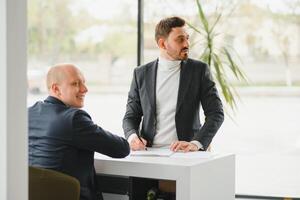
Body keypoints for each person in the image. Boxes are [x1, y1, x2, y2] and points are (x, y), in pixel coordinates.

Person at [28, 63, 130, 200]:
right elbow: (121, 149)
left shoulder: (29, 113)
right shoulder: (73, 118)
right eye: (75, 84)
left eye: (84, 83)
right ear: (56, 89)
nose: (85, 89)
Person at [123, 16, 224, 152]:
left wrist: (196, 143)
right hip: (148, 152)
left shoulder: (199, 70)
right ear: (162, 44)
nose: (186, 44)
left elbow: (216, 113)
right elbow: (131, 116)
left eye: (187, 38)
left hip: (186, 153)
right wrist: (133, 137)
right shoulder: (141, 73)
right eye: (180, 39)